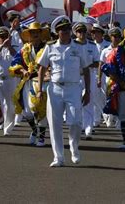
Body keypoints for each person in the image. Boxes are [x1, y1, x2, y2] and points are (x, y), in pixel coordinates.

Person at [36, 16, 91, 167]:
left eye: (67, 30)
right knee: (55, 124)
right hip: (55, 88)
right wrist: (40, 90)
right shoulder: (50, 47)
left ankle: (74, 147)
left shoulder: (79, 47)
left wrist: (88, 91)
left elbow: (86, 69)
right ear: (57, 32)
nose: (66, 33)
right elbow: (41, 68)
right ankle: (58, 157)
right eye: (62, 30)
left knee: (75, 121)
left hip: (74, 87)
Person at [9, 22, 50, 146]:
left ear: (41, 34)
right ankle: (34, 130)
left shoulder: (47, 48)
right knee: (27, 111)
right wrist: (23, 70)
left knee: (40, 108)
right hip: (28, 82)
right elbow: (14, 62)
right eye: (33, 33)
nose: (35, 34)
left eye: (37, 32)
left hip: (44, 82)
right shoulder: (24, 49)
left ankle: (41, 137)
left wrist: (48, 72)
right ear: (29, 35)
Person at [73, 22, 100, 140]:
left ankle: (88, 127)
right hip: (75, 77)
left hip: (89, 75)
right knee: (76, 102)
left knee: (89, 101)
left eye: (83, 31)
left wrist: (86, 65)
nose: (81, 34)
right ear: (75, 33)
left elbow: (97, 61)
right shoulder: (72, 45)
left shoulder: (92, 46)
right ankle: (80, 125)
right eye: (79, 32)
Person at [91, 23, 110, 127]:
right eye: (93, 32)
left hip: (106, 73)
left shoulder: (108, 44)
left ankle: (107, 115)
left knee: (104, 95)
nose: (94, 34)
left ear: (101, 33)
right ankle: (96, 119)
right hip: (93, 73)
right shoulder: (90, 44)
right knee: (94, 96)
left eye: (96, 32)